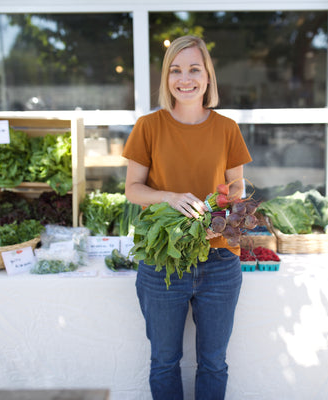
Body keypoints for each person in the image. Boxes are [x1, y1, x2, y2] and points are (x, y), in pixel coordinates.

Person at [122, 35, 252, 400]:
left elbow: (237, 184)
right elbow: (133, 188)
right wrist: (169, 197)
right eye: (176, 70)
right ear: (166, 78)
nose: (185, 78)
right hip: (163, 259)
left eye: (195, 68)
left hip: (219, 259)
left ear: (208, 76)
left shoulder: (227, 128)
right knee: (164, 360)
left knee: (214, 362)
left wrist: (219, 210)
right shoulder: (149, 127)